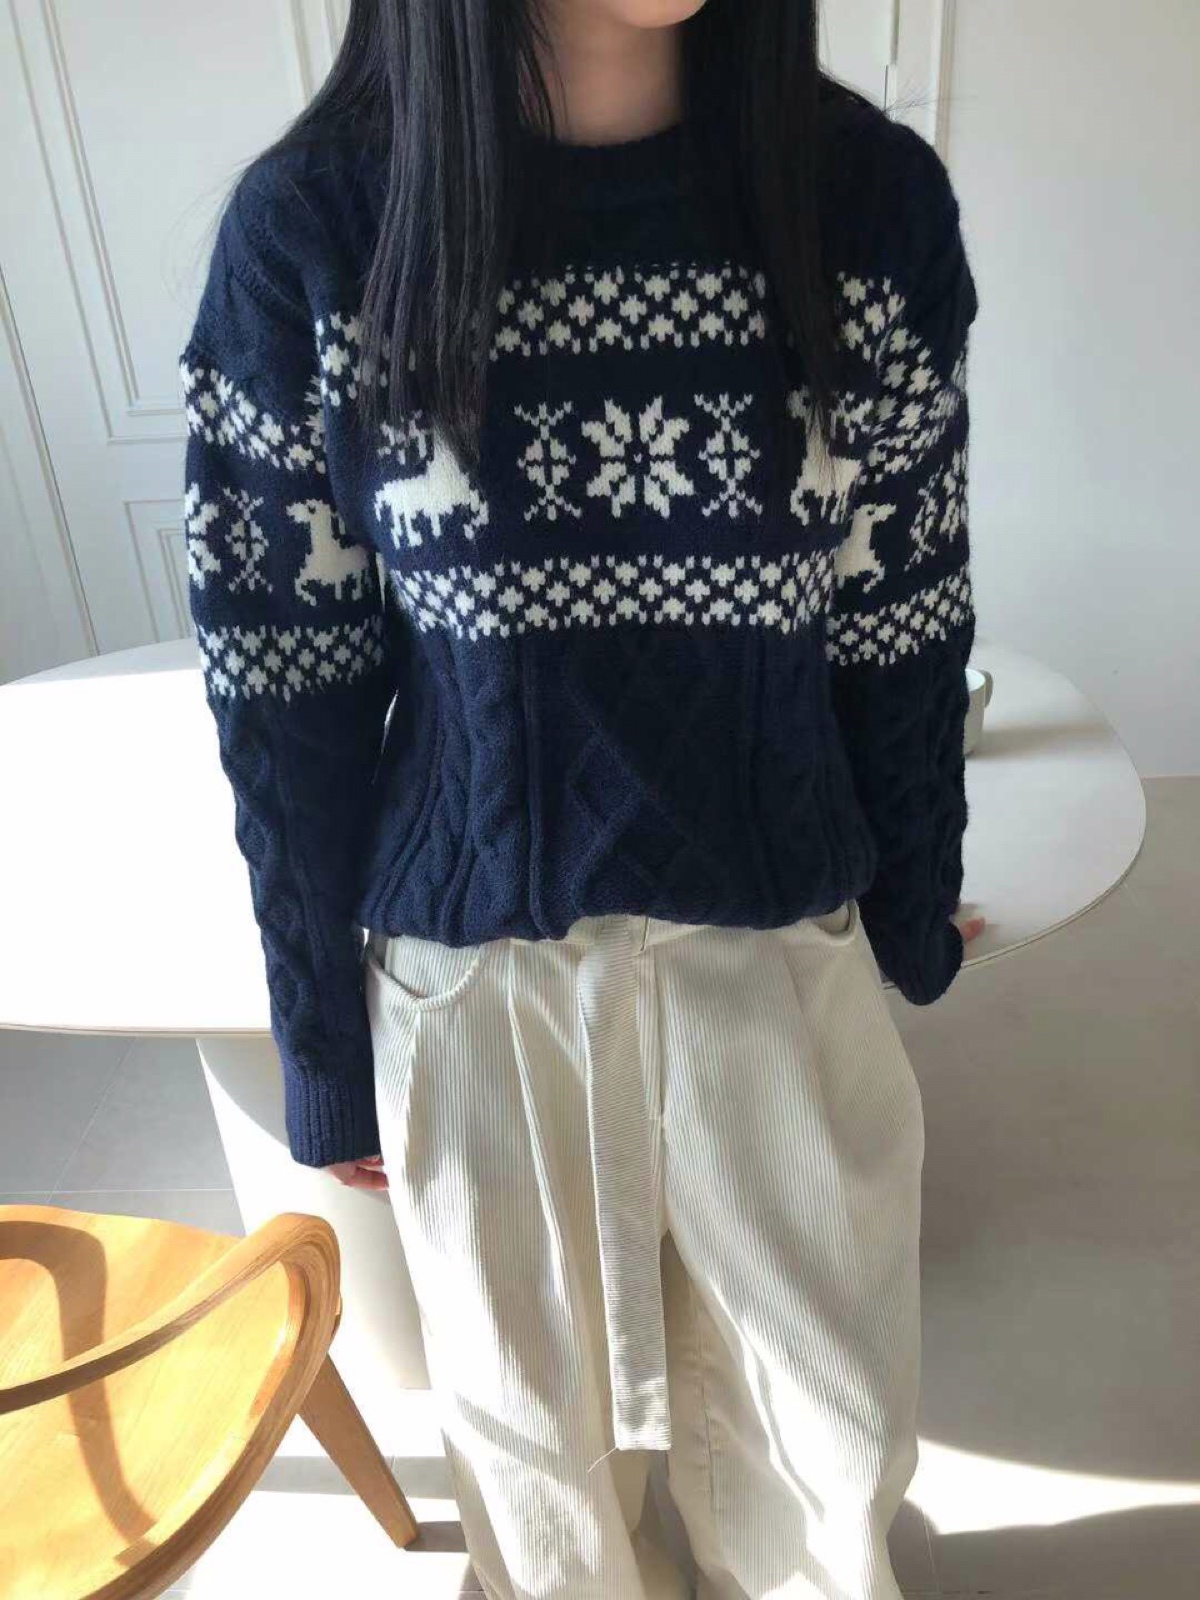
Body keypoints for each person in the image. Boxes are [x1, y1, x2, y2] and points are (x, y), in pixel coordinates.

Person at [180, 1, 985, 1593]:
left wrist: (911, 899)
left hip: (778, 964)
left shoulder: (867, 206)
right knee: (543, 1510)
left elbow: (904, 608)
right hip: (479, 998)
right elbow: (287, 687)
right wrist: (321, 1042)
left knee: (824, 1474)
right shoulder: (319, 236)